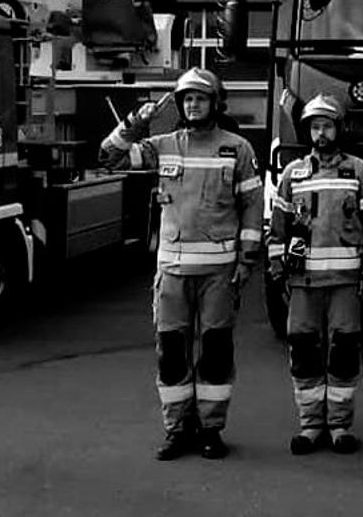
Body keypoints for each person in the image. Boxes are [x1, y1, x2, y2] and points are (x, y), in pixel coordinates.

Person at [100, 67, 263, 461]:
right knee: (171, 354)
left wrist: (247, 261)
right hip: (172, 274)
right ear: (179, 105)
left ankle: (210, 430)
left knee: (215, 353)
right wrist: (134, 123)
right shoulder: (163, 145)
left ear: (215, 103)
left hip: (219, 275)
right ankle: (177, 430)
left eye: (200, 98)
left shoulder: (237, 148)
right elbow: (109, 157)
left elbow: (252, 207)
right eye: (187, 99)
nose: (193, 105)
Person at [269, 93, 363, 456]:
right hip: (303, 284)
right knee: (303, 352)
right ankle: (310, 424)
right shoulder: (293, 174)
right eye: (315, 127)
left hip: (346, 283)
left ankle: (340, 425)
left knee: (344, 352)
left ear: (340, 129)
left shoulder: (360, 172)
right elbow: (278, 230)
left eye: (327, 126)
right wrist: (277, 270)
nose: (321, 133)